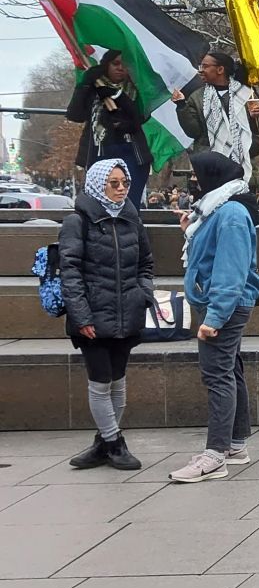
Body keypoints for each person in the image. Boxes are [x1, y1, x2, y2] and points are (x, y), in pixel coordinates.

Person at [169, 151, 259, 483]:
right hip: (221, 304)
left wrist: (214, 317)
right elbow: (211, 256)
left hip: (224, 306)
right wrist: (189, 230)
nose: (193, 181)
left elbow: (230, 270)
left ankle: (215, 456)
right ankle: (235, 445)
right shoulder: (216, 210)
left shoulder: (231, 214)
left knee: (218, 377)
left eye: (196, 175)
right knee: (230, 371)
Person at [58, 158, 155, 471]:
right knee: (100, 381)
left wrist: (144, 294)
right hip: (93, 316)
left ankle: (103, 444)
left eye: (124, 183)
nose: (121, 188)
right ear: (98, 184)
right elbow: (69, 270)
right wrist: (82, 316)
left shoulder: (131, 217)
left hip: (127, 312)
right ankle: (115, 443)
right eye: (113, 183)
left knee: (118, 380)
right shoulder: (78, 220)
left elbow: (146, 264)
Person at [171, 48, 259, 183]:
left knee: (239, 202)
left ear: (220, 70)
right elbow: (194, 132)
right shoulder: (197, 97)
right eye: (201, 66)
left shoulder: (245, 94)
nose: (201, 70)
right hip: (210, 165)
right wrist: (181, 106)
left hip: (240, 164)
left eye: (205, 66)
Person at [65, 50, 152, 205]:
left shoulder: (137, 89)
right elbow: (74, 115)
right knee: (100, 205)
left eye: (125, 65)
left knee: (128, 204)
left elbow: (140, 118)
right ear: (106, 65)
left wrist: (118, 97)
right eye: (115, 63)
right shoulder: (94, 88)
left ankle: (129, 229)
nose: (120, 68)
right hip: (100, 152)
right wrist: (85, 84)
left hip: (131, 153)